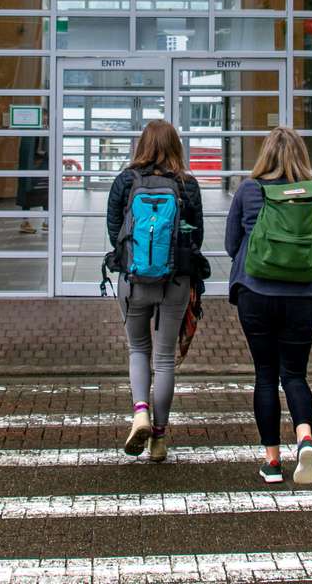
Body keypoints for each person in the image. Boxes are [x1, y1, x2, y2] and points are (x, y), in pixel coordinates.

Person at [226, 127, 312, 485]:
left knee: (265, 374)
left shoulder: (248, 190)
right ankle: (304, 436)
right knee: (294, 373)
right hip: (303, 298)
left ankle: (272, 462)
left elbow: (233, 245)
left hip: (256, 294)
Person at [105, 119, 203, 464]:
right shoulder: (187, 184)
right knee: (164, 359)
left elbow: (114, 230)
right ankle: (159, 440)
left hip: (133, 281)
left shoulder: (125, 181)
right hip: (176, 280)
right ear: (176, 145)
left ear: (141, 145)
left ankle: (140, 411)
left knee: (138, 350)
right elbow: (197, 237)